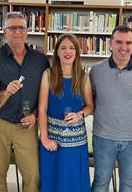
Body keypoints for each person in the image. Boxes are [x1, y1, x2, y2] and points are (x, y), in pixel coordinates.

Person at [0, 12, 49, 192]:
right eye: (12, 28)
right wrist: (5, 93)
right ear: (5, 32)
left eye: (21, 27)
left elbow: (45, 96)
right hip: (0, 124)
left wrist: (35, 116)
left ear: (27, 31)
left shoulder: (40, 60)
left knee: (33, 176)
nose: (17, 32)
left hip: (27, 125)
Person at [90, 26, 132, 192]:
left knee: (128, 184)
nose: (124, 47)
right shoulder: (96, 70)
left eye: (128, 42)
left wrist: (130, 114)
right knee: (100, 182)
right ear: (111, 43)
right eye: (119, 42)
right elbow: (91, 101)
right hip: (103, 137)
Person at [38, 34, 93, 192]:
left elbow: (90, 106)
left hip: (76, 142)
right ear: (56, 52)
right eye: (63, 48)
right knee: (51, 179)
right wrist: (45, 138)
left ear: (77, 52)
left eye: (71, 48)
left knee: (73, 181)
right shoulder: (48, 75)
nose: (67, 51)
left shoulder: (83, 77)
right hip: (52, 140)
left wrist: (79, 114)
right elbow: (42, 108)